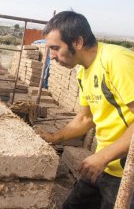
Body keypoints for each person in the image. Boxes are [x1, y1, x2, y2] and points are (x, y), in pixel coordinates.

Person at [37, 11, 134, 208]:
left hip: (127, 173)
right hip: (104, 165)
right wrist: (53, 137)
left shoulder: (117, 61)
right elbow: (85, 119)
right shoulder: (83, 72)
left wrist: (104, 156)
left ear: (78, 42)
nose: (52, 56)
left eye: (55, 48)